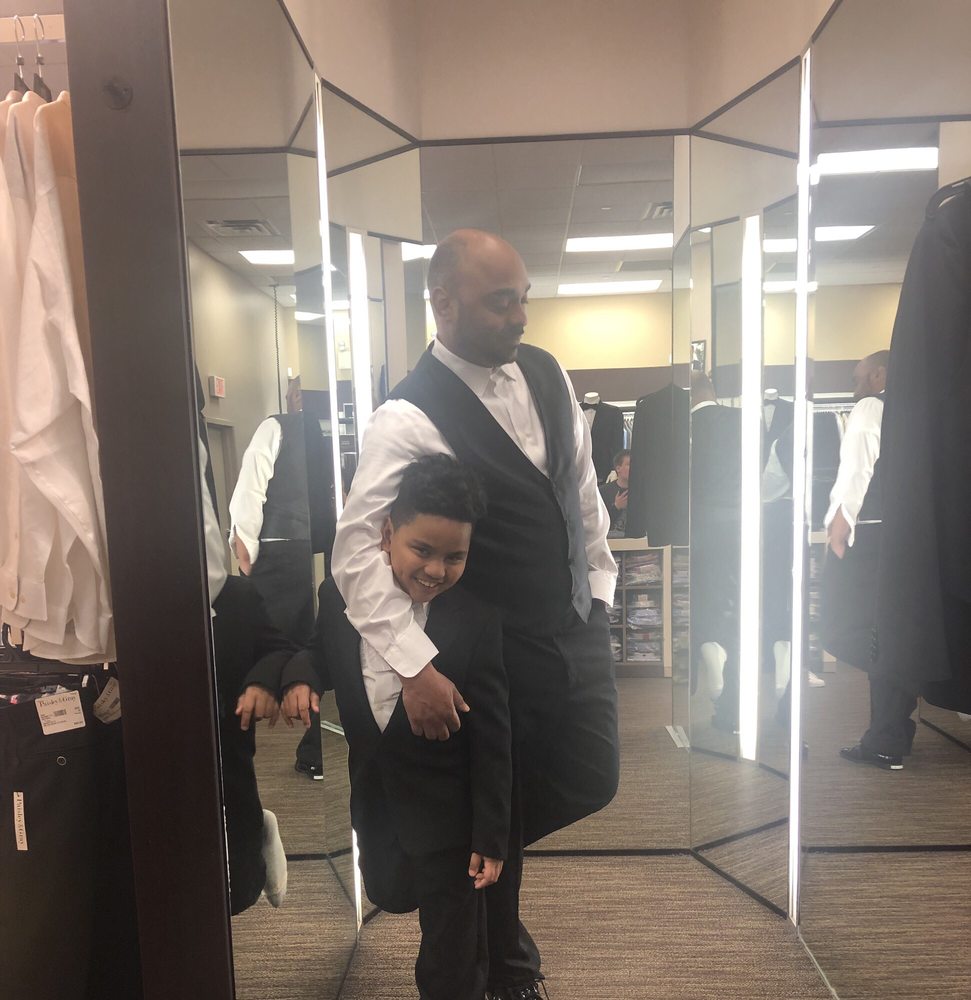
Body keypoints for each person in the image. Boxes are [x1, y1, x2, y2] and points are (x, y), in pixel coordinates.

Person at [330, 228, 620, 999]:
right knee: (498, 804)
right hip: (493, 650)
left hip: (575, 625)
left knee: (591, 777)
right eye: (500, 303)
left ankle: (459, 871)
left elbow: (579, 489)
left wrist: (599, 590)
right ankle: (507, 964)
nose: (519, 316)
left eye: (522, 299)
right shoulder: (406, 415)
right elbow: (357, 552)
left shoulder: (547, 371)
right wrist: (413, 665)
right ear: (443, 303)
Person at [283, 456, 510, 999]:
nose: (436, 570)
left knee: (450, 951)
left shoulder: (476, 620)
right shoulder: (340, 597)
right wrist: (301, 678)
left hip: (450, 817)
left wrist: (491, 835)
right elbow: (319, 651)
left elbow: (494, 739)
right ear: (387, 535)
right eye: (422, 550)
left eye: (454, 557)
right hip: (377, 803)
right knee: (388, 887)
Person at [229, 376, 335, 780]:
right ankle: (314, 746)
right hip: (319, 547)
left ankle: (262, 730)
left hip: (278, 550)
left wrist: (246, 554)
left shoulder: (275, 426)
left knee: (272, 642)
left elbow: (250, 490)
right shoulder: (323, 438)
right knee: (310, 646)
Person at [820, 351, 907, 769]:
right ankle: (892, 730)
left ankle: (886, 737)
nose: (855, 388)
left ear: (879, 373)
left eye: (859, 378)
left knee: (851, 629)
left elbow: (857, 467)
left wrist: (840, 520)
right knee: (895, 632)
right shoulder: (916, 410)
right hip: (907, 535)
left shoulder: (871, 407)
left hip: (869, 532)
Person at [688, 371, 742, 732]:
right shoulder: (742, 420)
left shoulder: (685, 429)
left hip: (700, 527)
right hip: (741, 523)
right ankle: (730, 689)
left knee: (703, 597)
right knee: (736, 602)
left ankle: (712, 648)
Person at [599, 448, 630, 534]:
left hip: (637, 540)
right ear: (618, 468)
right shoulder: (603, 492)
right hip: (611, 539)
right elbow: (598, 522)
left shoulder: (641, 493)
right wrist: (616, 507)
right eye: (629, 464)